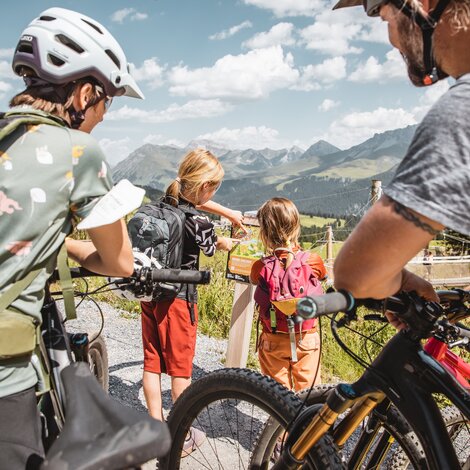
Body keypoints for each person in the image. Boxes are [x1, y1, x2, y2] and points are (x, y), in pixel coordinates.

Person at [0, 7, 145, 469]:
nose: (103, 116)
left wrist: (65, 246)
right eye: (107, 101)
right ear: (84, 92)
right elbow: (120, 261)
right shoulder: (78, 151)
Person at [331, 0, 470, 328]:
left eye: (383, 18)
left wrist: (396, 281)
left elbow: (357, 273)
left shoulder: (462, 112)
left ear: (421, 4)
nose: (392, 39)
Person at [140, 148, 235, 452]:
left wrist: (229, 213)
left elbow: (196, 202)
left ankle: (156, 426)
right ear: (206, 186)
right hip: (179, 301)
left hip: (150, 294)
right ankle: (181, 436)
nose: (215, 191)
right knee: (181, 369)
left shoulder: (161, 204)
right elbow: (211, 246)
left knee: (152, 362)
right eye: (215, 185)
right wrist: (227, 241)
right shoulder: (199, 222)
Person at [250, 198, 327, 391]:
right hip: (306, 336)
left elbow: (253, 280)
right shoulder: (312, 261)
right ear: (296, 226)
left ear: (264, 232)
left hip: (273, 338)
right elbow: (323, 276)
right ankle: (306, 421)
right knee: (309, 394)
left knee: (277, 397)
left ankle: (281, 421)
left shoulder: (260, 266)